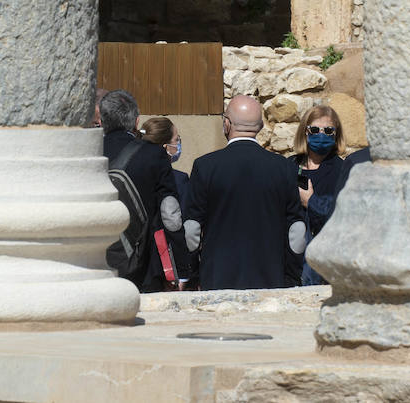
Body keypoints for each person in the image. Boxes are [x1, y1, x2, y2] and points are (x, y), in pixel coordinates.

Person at [184, 94, 305, 290]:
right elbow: (297, 231)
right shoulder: (284, 168)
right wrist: (290, 277)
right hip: (271, 279)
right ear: (261, 127)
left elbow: (191, 230)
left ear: (226, 124)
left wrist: (193, 274)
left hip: (217, 279)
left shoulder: (205, 167)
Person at [99, 90, 182, 288]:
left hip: (94, 262)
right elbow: (170, 215)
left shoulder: (86, 152)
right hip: (140, 267)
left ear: (101, 121)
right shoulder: (154, 155)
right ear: (136, 122)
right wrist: (183, 266)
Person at [138, 116, 195, 291]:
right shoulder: (178, 179)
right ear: (165, 148)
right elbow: (176, 223)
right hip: (164, 262)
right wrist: (183, 270)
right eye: (176, 140)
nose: (178, 145)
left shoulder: (134, 172)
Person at [293, 104, 347, 286]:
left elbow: (342, 218)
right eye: (315, 129)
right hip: (292, 261)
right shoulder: (290, 166)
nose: (321, 135)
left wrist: (311, 202)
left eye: (328, 130)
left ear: (336, 134)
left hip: (324, 264)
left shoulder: (342, 170)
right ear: (305, 131)